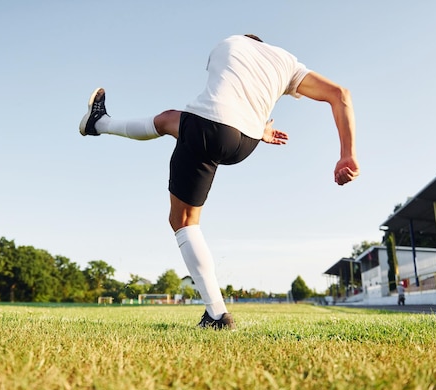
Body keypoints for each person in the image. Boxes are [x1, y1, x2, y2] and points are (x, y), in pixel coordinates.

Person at [80, 34, 359, 329]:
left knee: (184, 220)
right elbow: (340, 94)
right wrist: (347, 155)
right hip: (246, 142)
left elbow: (228, 91)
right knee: (167, 119)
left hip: (209, 127)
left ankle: (216, 315)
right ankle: (98, 123)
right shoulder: (286, 61)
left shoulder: (228, 43)